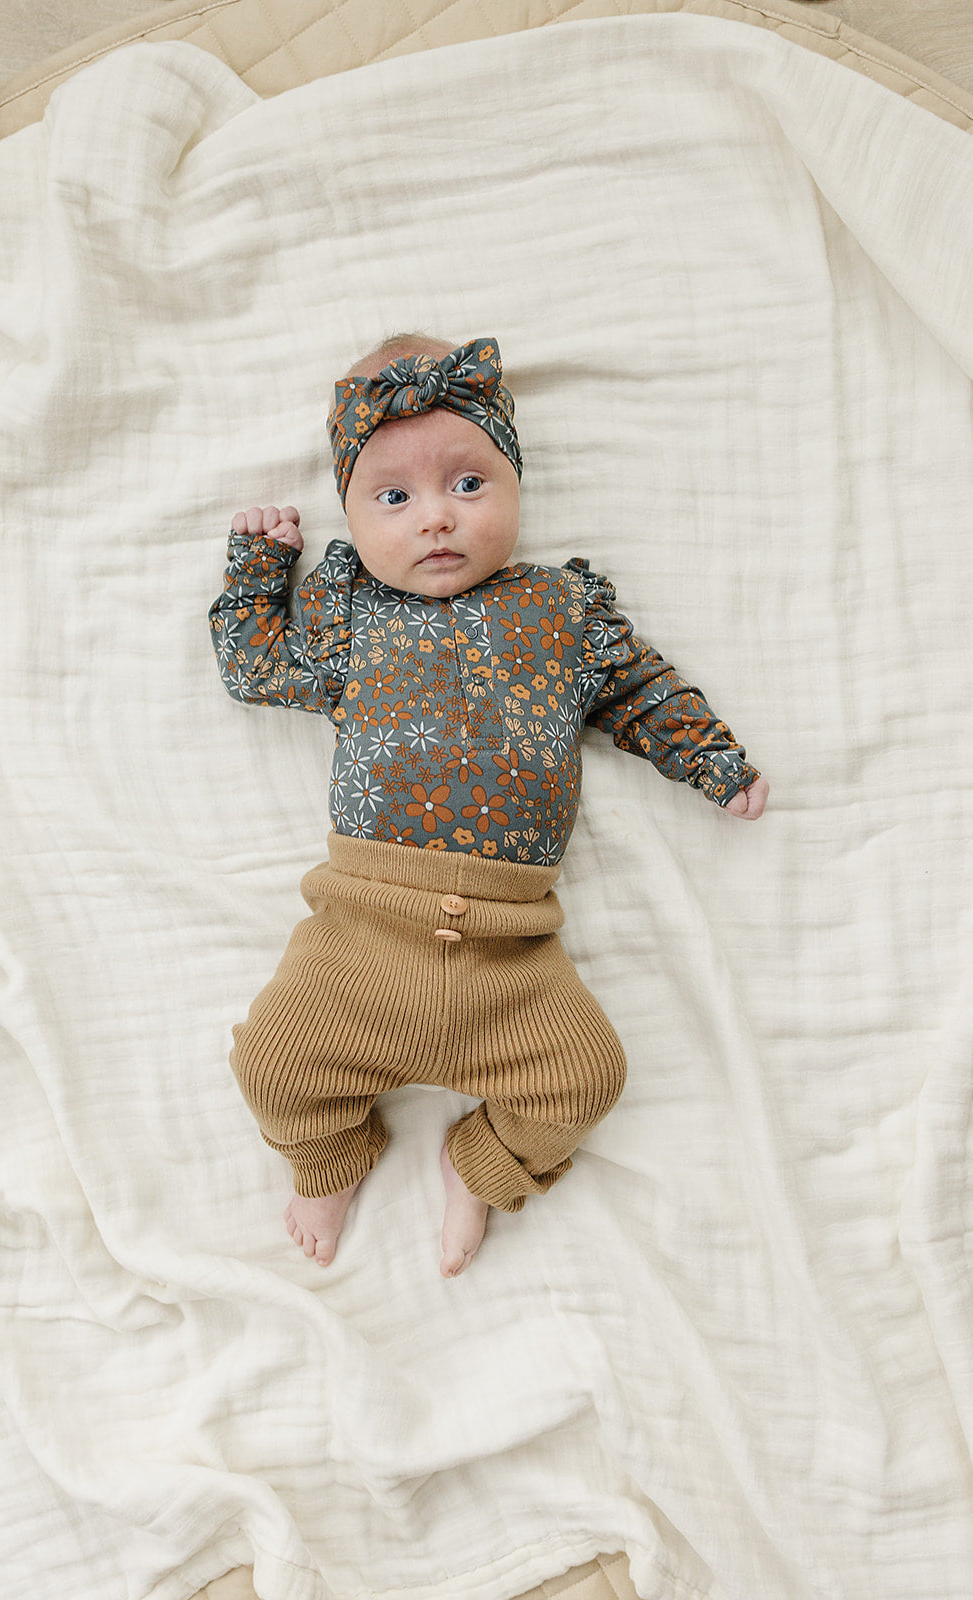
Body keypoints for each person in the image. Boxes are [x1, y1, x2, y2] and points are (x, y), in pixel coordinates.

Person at [209, 334, 768, 1277]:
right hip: (360, 942)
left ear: (516, 484)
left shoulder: (560, 611)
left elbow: (641, 692)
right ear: (350, 515)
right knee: (271, 1067)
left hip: (513, 961)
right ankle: (328, 1160)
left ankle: (480, 1165)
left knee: (587, 1080)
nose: (436, 517)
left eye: (468, 484)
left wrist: (712, 761)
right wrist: (260, 569)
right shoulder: (352, 615)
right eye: (394, 498)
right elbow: (256, 669)